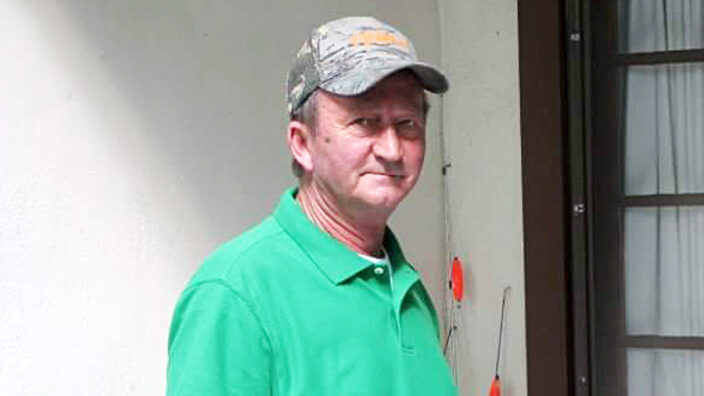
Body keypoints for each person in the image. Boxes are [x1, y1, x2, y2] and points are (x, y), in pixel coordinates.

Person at [166, 16, 454, 395]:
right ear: (302, 144)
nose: (391, 149)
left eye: (407, 123)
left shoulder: (407, 290)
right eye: (364, 122)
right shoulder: (236, 294)